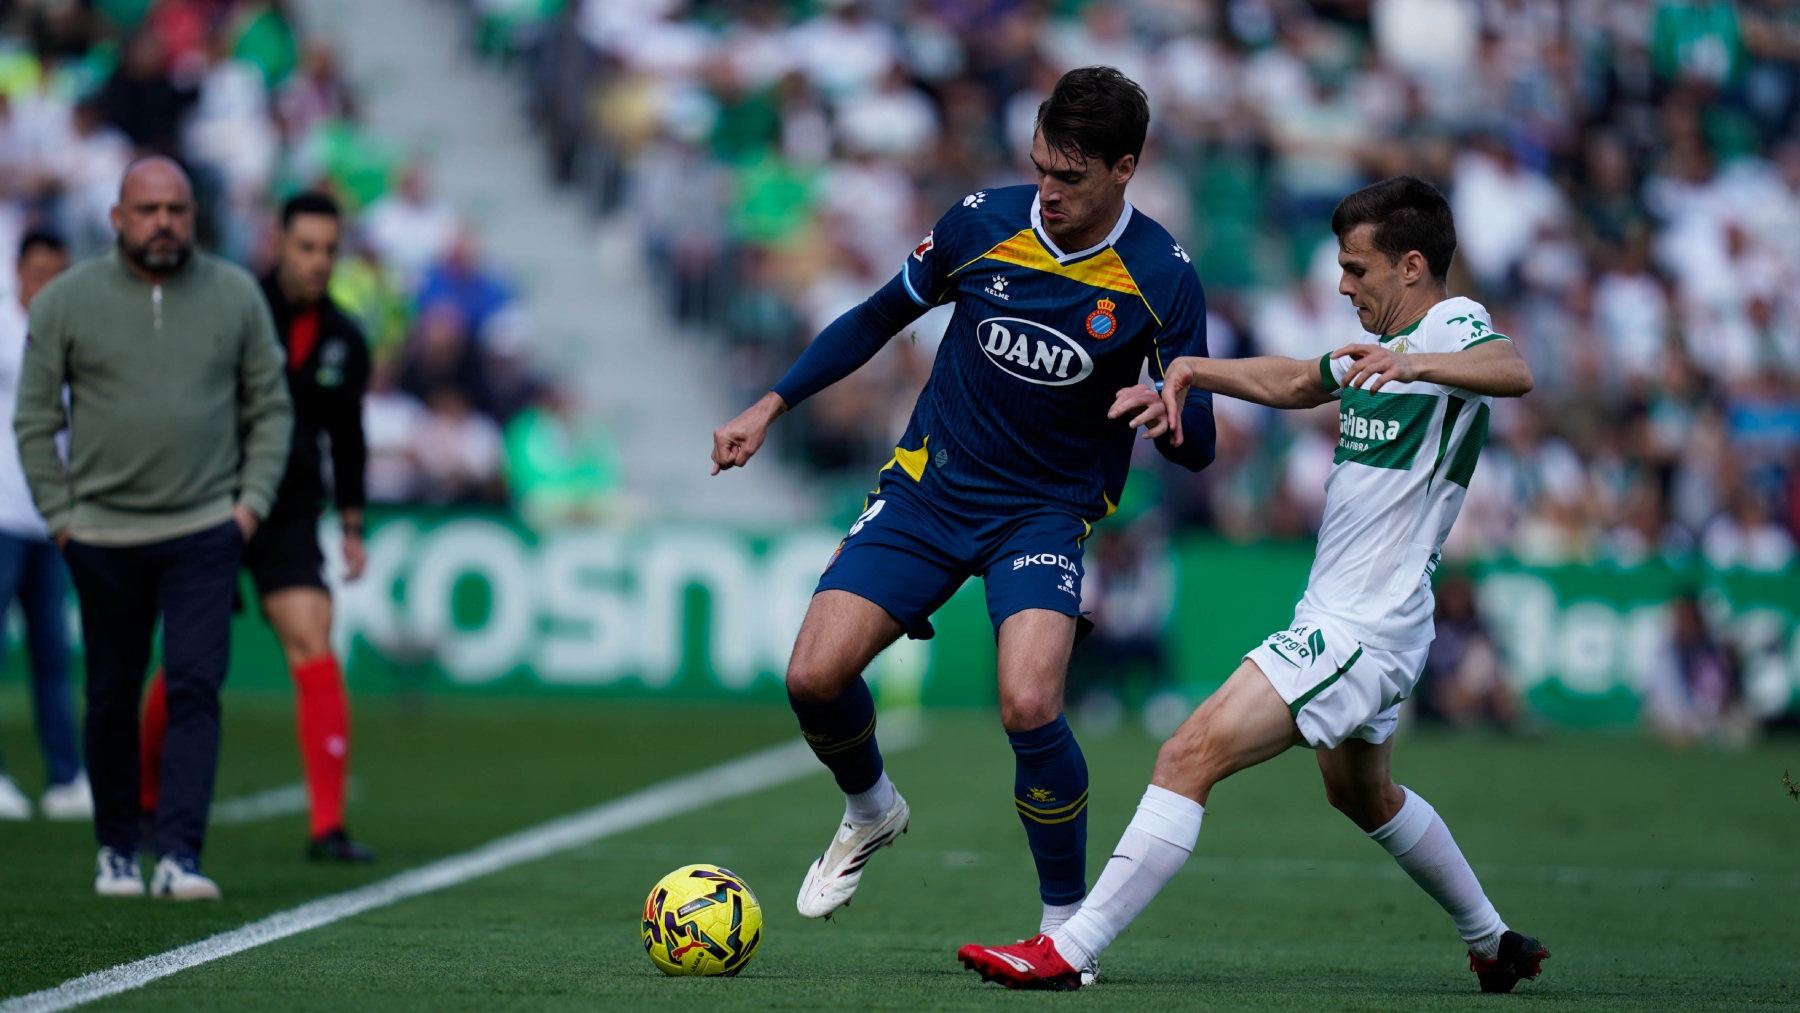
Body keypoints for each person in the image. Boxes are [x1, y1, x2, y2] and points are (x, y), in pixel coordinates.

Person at [956, 176, 1550, 993]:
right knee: (1363, 794)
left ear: (1412, 266)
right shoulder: (1377, 351)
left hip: (1358, 628)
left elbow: (1513, 369)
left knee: (1187, 751)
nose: (1343, 285)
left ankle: (1070, 945)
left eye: (1357, 268)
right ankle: (1493, 939)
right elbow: (1300, 383)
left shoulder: (1449, 324)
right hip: (1369, 620)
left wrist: (1414, 359)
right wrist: (1193, 370)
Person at [709, 66, 1216, 962]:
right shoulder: (981, 222)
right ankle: (872, 810)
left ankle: (1066, 930)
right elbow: (874, 317)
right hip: (930, 487)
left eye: (1070, 177)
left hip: (1045, 514)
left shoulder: (1162, 277)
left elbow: (1198, 441)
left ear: (1125, 168)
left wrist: (1166, 411)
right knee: (812, 678)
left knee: (1028, 701)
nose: (1047, 193)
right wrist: (770, 404)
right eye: (1040, 169)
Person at [17, 157, 293, 900]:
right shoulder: (66, 300)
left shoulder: (236, 294)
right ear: (117, 218)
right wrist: (63, 518)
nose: (163, 222)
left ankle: (178, 854)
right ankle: (114, 847)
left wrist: (249, 505)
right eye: (148, 209)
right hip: (101, 534)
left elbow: (270, 407)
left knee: (196, 687)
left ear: (194, 215)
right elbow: (35, 418)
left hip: (206, 527)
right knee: (109, 693)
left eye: (176, 209)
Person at [138, 192, 375, 863]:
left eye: (329, 249)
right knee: (188, 655)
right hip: (214, 497)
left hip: (292, 509)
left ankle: (327, 826)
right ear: (278, 243)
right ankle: (147, 800)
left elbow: (348, 436)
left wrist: (353, 524)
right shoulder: (232, 310)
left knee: (312, 637)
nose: (319, 261)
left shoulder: (345, 337)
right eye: (306, 247)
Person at [0, 231, 90, 823]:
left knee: (53, 656)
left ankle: (66, 774)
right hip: (1, 512)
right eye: (37, 270)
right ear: (17, 271)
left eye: (56, 271)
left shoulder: (72, 339)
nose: (45, 282)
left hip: (47, 518)